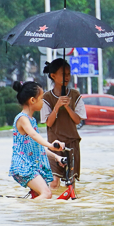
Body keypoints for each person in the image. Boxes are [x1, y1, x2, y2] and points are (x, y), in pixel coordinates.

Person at [9, 80, 67, 199]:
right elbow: (34, 136)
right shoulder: (23, 119)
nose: (43, 102)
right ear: (32, 100)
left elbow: (37, 146)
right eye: (41, 98)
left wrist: (57, 157)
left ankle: (31, 214)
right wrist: (51, 145)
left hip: (31, 166)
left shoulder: (32, 120)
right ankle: (24, 210)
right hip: (23, 166)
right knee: (47, 194)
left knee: (38, 196)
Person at [40, 58, 85, 186]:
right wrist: (57, 106)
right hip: (54, 143)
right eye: (63, 74)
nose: (67, 77)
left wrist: (67, 107)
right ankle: (53, 205)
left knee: (70, 182)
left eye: (69, 74)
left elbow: (77, 120)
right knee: (54, 181)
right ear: (53, 76)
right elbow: (48, 122)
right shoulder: (47, 98)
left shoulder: (75, 95)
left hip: (72, 142)